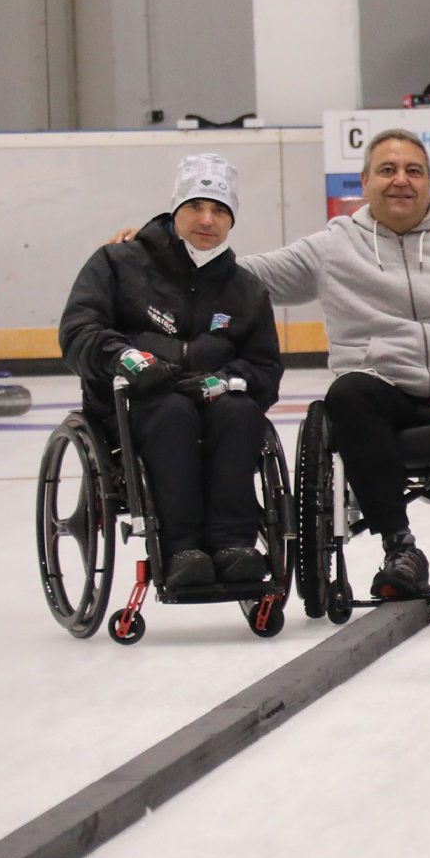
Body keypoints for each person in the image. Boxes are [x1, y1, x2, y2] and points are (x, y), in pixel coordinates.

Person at [247, 130, 430, 600]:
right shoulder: (333, 246)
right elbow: (241, 277)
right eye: (387, 170)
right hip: (380, 398)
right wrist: (160, 245)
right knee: (346, 393)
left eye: (413, 171)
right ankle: (401, 547)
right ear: (364, 182)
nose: (400, 181)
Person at [60, 156, 283, 589]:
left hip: (213, 402)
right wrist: (124, 358)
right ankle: (181, 548)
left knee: (239, 412)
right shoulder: (116, 262)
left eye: (220, 210)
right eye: (196, 206)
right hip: (134, 404)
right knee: (171, 412)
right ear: (174, 210)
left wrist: (226, 379)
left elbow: (265, 368)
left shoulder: (247, 290)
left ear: (231, 220)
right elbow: (77, 330)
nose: (206, 219)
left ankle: (234, 545)